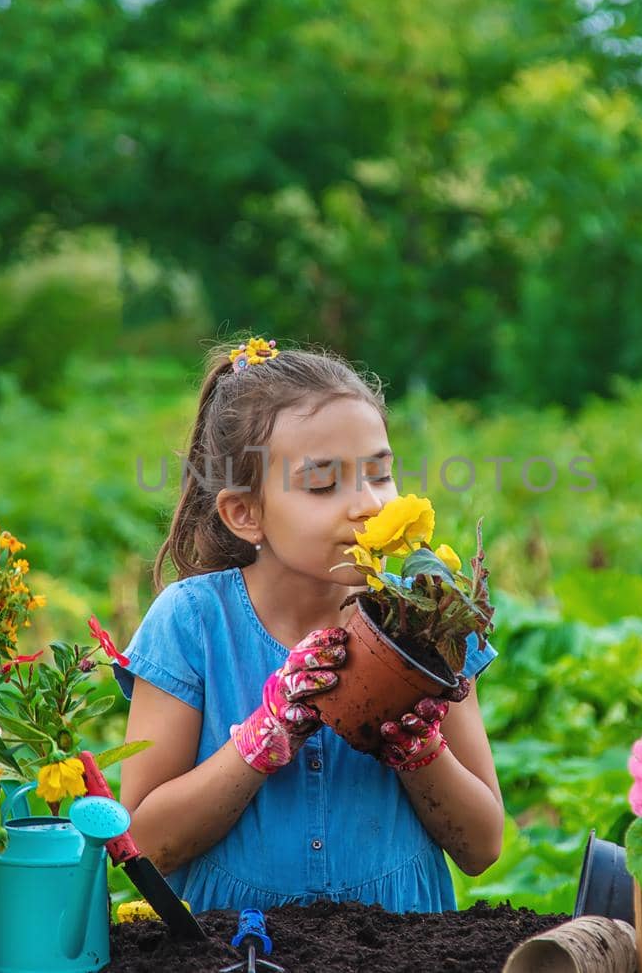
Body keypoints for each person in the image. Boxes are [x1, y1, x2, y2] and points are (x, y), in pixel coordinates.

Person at [114, 335, 503, 913]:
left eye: (380, 473)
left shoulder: (428, 619)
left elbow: (482, 847)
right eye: (324, 483)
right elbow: (146, 845)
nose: (369, 504)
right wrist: (262, 737)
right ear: (245, 513)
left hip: (403, 939)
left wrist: (420, 749)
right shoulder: (192, 622)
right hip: (240, 943)